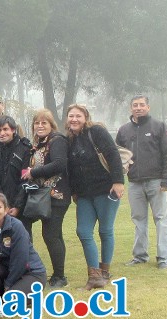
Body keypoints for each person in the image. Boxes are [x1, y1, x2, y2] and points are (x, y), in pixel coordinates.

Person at [66, 104, 124, 290]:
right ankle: (95, 275)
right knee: (83, 232)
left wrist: (118, 181)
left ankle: (104, 272)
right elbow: (71, 169)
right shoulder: (70, 139)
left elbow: (113, 154)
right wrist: (74, 190)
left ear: (86, 117)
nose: (74, 119)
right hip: (84, 195)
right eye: (71, 116)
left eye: (78, 116)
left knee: (105, 231)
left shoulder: (96, 131)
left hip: (106, 189)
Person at [116, 95, 167, 269]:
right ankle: (140, 256)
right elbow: (117, 157)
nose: (138, 108)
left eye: (142, 105)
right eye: (135, 105)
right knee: (138, 220)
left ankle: (164, 257)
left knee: (161, 219)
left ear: (148, 107)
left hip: (156, 182)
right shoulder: (124, 130)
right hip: (134, 183)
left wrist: (166, 181)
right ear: (130, 108)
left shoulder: (159, 126)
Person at [21, 109, 71, 288]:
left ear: (51, 125)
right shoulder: (39, 144)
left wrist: (33, 172)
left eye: (44, 123)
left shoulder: (57, 141)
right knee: (40, 230)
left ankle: (59, 276)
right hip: (42, 196)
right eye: (37, 123)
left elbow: (59, 164)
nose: (40, 126)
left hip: (57, 196)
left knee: (51, 234)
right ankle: (34, 269)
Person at [0, 193, 46, 296]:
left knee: (12, 299)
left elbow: (20, 260)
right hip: (8, 271)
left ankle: (9, 295)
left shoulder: (16, 226)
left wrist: (8, 285)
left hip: (30, 272)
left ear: (6, 210)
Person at [0, 116, 32, 232]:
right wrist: (1, 202)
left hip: (20, 206)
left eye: (5, 129)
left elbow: (25, 179)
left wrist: (17, 206)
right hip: (0, 206)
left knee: (23, 238)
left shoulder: (25, 150)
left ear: (13, 130)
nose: (2, 133)